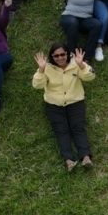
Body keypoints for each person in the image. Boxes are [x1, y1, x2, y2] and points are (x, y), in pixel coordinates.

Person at [33, 44, 95, 172]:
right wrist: (41, 70)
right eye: (56, 55)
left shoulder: (76, 64)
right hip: (54, 105)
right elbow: (37, 85)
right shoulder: (47, 68)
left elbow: (90, 76)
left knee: (78, 128)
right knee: (61, 131)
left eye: (62, 54)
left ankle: (85, 157)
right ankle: (68, 160)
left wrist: (82, 65)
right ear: (52, 57)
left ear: (67, 54)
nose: (60, 58)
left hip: (75, 102)